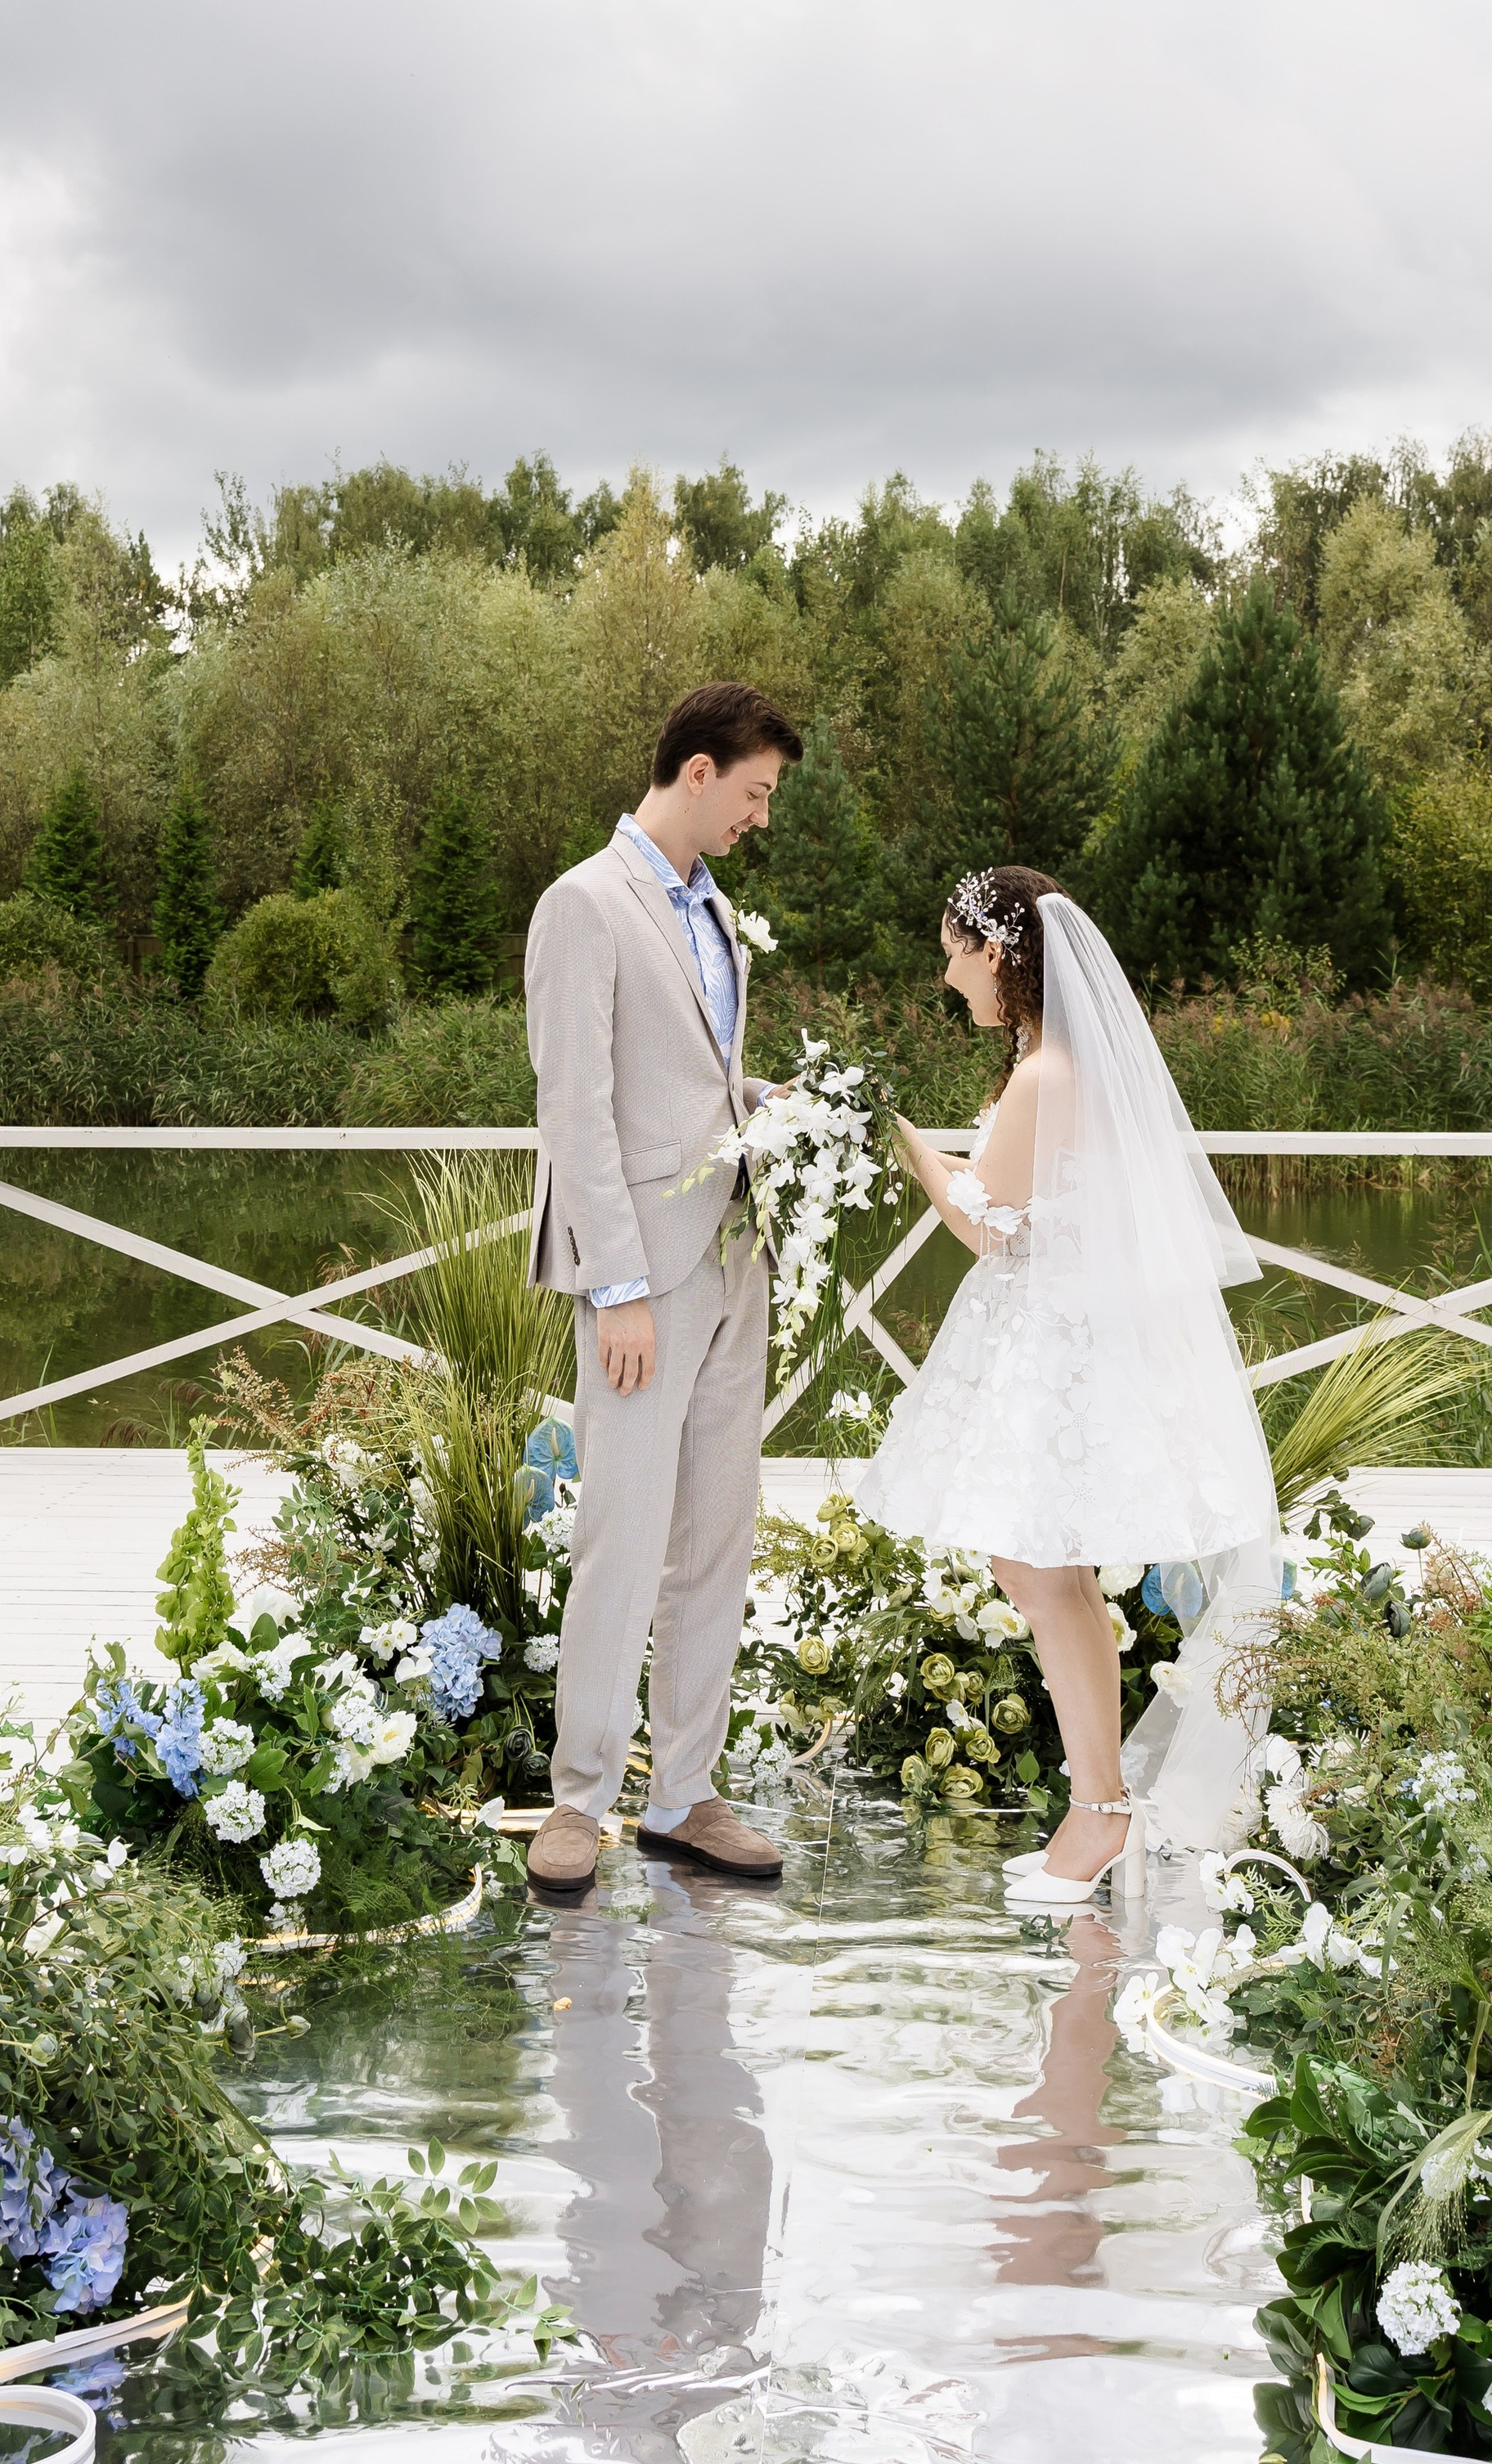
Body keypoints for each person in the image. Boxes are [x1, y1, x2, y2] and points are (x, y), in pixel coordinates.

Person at [858, 865, 1281, 1904]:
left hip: (1048, 1341)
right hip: (1057, 1332)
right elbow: (1019, 1195)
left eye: (955, 952)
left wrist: (901, 1138)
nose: (948, 975)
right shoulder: (1052, 1065)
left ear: (998, 953)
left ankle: (1098, 1811)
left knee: (1040, 1567)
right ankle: (1100, 1806)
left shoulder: (1048, 1074)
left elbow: (981, 1226)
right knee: (1047, 1568)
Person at [523, 680, 805, 1899]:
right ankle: (579, 1800)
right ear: (698, 772)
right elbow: (574, 1108)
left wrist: (771, 1115)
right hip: (643, 1273)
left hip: (737, 1259)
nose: (759, 817)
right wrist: (618, 1286)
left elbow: (692, 1082)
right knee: (621, 1540)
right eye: (754, 793)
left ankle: (684, 1793)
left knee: (715, 1543)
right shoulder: (583, 906)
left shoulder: (717, 914)